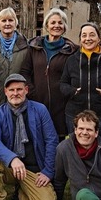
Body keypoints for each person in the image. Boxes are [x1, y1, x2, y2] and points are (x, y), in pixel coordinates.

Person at [0, 73, 58, 200]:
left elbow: (52, 140)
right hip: (10, 167)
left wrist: (48, 171)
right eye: (11, 90)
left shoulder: (40, 110)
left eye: (19, 89)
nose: (15, 93)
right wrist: (12, 159)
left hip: (33, 170)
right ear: (5, 92)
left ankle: (21, 193)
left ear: (26, 90)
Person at [21, 8, 78, 139]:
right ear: (46, 25)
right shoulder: (34, 48)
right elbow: (25, 72)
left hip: (61, 105)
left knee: (57, 140)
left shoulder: (72, 50)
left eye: (60, 23)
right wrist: (32, 92)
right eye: (53, 23)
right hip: (37, 102)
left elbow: (75, 76)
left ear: (64, 27)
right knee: (38, 140)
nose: (56, 26)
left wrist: (67, 93)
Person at [60, 23, 101, 140]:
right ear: (80, 39)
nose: (88, 39)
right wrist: (72, 91)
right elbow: (63, 83)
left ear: (98, 39)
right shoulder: (71, 60)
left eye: (92, 35)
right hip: (74, 114)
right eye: (84, 35)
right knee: (75, 150)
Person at [0, 7, 29, 110]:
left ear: (15, 23)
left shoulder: (25, 46)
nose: (7, 23)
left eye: (11, 20)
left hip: (17, 98)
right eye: (4, 20)